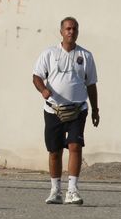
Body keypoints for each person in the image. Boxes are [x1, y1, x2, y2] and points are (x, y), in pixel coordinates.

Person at [32, 17, 99, 205]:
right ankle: (55, 191)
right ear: (61, 31)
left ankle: (73, 190)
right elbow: (36, 77)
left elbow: (91, 84)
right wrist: (43, 90)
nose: (71, 32)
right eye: (68, 28)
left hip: (78, 109)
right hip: (53, 109)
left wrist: (95, 110)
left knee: (75, 146)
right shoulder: (49, 54)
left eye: (74, 29)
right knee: (54, 151)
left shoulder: (85, 56)